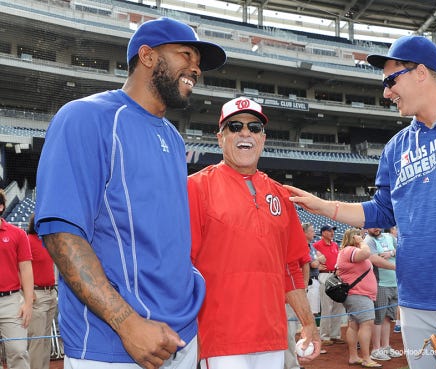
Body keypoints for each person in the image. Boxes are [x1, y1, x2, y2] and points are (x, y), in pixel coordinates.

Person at [285, 35, 436, 369]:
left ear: (420, 72)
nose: (386, 92)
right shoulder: (396, 146)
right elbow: (382, 209)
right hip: (415, 302)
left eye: (391, 80)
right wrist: (325, 206)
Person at [33, 17, 226, 369]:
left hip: (179, 338)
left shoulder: (172, 136)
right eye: (186, 54)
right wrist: (128, 323)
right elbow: (61, 233)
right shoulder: (85, 117)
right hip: (115, 344)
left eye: (198, 61)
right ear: (148, 56)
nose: (195, 68)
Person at [188, 97, 320, 369]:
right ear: (220, 138)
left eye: (254, 127)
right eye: (234, 127)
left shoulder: (280, 195)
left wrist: (308, 323)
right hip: (222, 338)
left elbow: (291, 268)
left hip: (271, 336)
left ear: (263, 138)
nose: (245, 133)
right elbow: (182, 268)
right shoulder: (196, 187)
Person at [336, 228, 381, 368]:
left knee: (354, 325)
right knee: (366, 324)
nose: (362, 237)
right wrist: (361, 242)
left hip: (357, 294)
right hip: (359, 294)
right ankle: (367, 358)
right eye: (360, 235)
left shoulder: (347, 251)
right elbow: (367, 252)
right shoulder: (350, 250)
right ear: (354, 237)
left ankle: (354, 357)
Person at [0, 189, 33, 369]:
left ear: (1, 206)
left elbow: (26, 269)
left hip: (11, 302)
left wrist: (28, 303)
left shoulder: (17, 234)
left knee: (19, 352)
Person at [364, 228, 402, 361]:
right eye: (372, 225)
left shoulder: (389, 237)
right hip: (380, 284)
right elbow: (375, 259)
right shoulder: (368, 240)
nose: (376, 228)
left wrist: (391, 252)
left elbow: (403, 249)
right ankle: (376, 349)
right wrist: (397, 267)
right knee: (378, 318)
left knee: (388, 318)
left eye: (377, 225)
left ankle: (386, 347)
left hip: (394, 283)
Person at [27, 213, 58, 369]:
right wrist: (28, 292)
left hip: (51, 293)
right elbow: (20, 267)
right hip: (37, 295)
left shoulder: (48, 241)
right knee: (37, 341)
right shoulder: (28, 240)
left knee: (45, 340)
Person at [313, 224, 346, 346]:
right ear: (323, 233)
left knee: (338, 306)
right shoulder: (317, 245)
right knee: (327, 307)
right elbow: (312, 259)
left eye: (333, 230)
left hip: (336, 275)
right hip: (324, 275)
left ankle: (335, 334)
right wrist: (318, 267)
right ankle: (325, 336)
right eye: (329, 230)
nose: (332, 232)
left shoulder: (335, 244)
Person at [285, 251, 311, 369]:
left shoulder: (292, 241)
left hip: (288, 294)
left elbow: (305, 261)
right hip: (270, 294)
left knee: (288, 332)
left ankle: (291, 365)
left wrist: (304, 285)